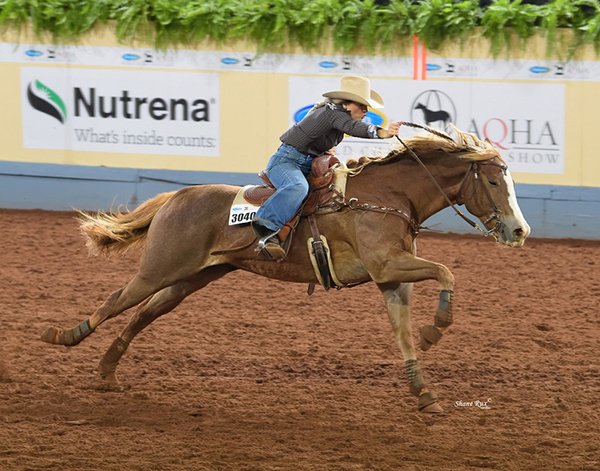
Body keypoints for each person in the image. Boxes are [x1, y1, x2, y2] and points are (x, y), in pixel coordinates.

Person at [252, 75, 402, 260]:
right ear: (346, 104)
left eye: (367, 106)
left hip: (305, 163)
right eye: (361, 105)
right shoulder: (332, 113)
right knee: (298, 187)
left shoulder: (331, 114)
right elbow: (353, 126)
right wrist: (383, 132)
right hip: (286, 162)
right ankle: (266, 225)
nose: (365, 110)